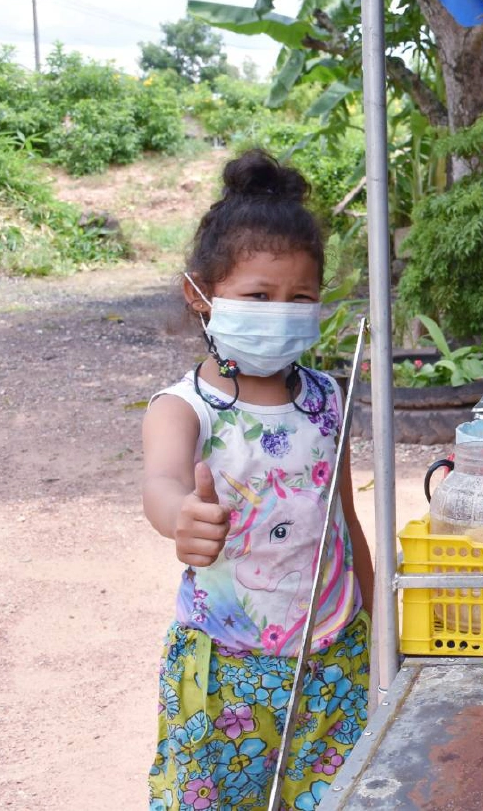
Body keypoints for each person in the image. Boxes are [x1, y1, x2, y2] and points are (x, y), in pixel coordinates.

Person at [141, 150, 373, 810]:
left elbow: (344, 520)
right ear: (200, 296)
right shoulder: (182, 407)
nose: (281, 312)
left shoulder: (328, 396)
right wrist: (182, 516)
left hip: (336, 660)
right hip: (224, 673)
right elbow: (161, 483)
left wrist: (378, 631)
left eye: (300, 298)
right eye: (258, 297)